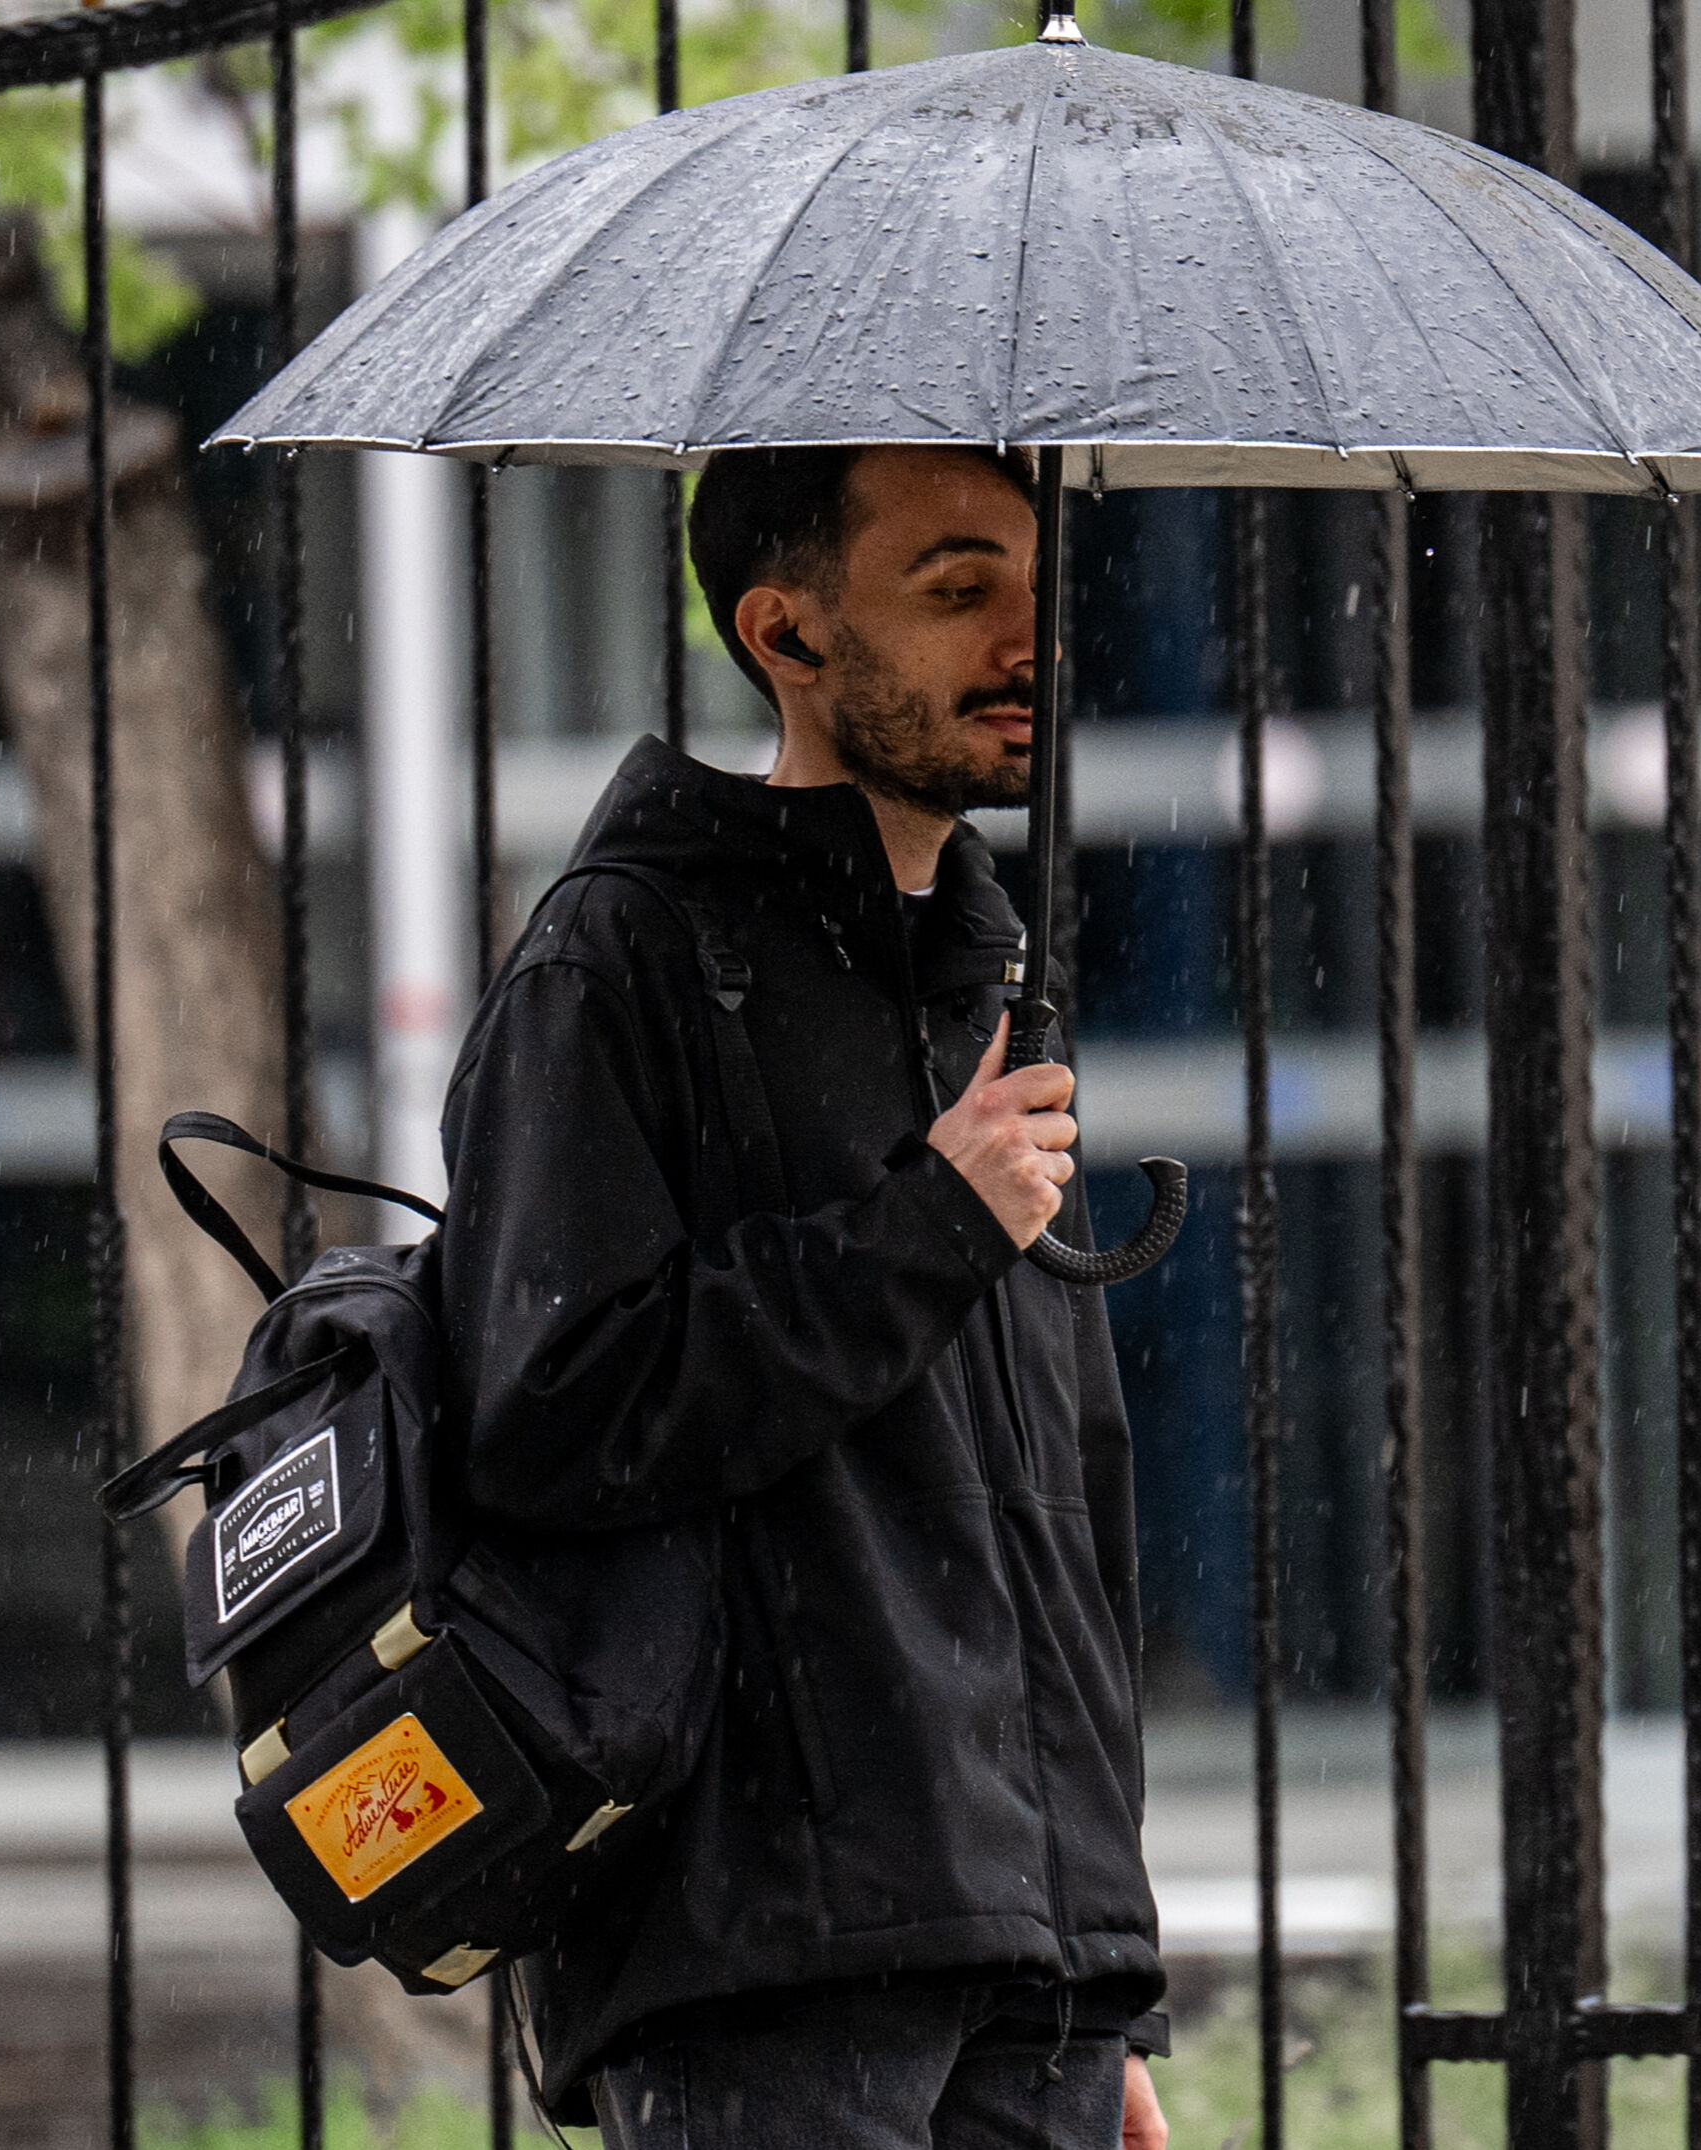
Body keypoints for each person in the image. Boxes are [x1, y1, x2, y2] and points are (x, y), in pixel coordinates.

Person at [438, 442, 1171, 2150]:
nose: (1028, 637)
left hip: (1027, 1979)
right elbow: (558, 1410)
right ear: (787, 633)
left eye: (1039, 583)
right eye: (959, 586)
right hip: (767, 1968)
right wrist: (927, 1226)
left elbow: (1065, 1506)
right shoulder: (620, 957)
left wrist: (1100, 1956)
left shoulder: (986, 981)